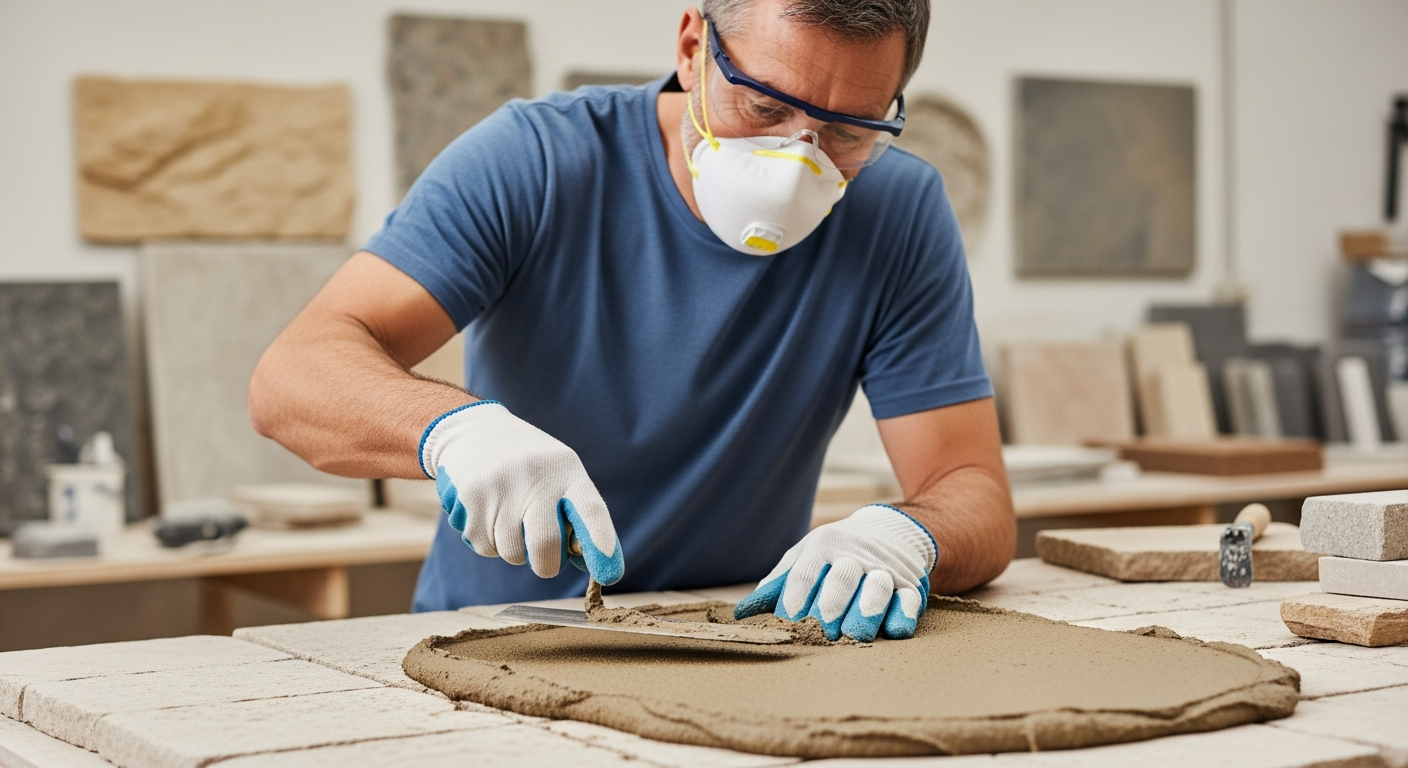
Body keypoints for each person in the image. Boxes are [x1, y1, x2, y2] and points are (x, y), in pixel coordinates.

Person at [249, 0, 1015, 643]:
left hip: (737, 643)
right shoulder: (538, 161)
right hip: (496, 639)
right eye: (764, 106)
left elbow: (969, 488)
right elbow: (291, 378)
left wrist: (905, 537)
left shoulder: (899, 211)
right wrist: (453, 429)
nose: (797, 161)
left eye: (849, 130)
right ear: (693, 48)